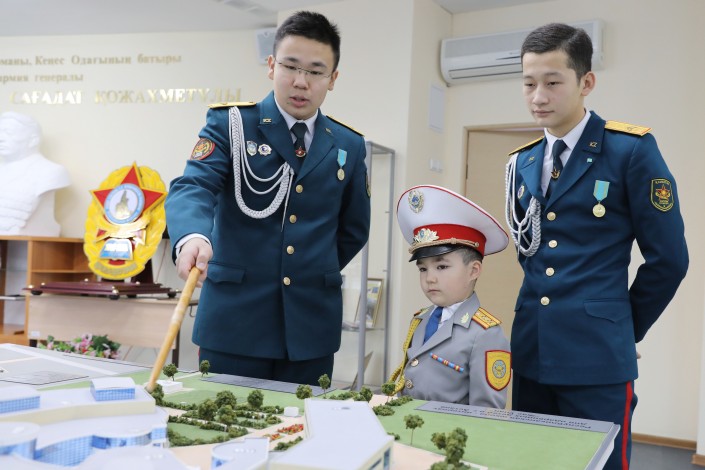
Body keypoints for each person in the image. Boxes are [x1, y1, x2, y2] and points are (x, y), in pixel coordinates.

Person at [504, 23, 688, 469]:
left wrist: (623, 328)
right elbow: (531, 254)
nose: (538, 97)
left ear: (586, 82)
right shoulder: (521, 161)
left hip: (597, 357)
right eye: (529, 84)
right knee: (532, 463)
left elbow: (669, 260)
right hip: (532, 350)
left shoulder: (629, 151)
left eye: (552, 83)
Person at [164, 11, 371, 386]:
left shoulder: (349, 145)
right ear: (272, 66)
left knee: (304, 421)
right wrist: (192, 236)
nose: (300, 82)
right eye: (290, 66)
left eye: (316, 71)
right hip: (234, 323)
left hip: (310, 329)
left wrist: (310, 270)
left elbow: (353, 229)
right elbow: (194, 186)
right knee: (221, 418)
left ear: (333, 79)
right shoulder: (231, 125)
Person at [389, 185, 511, 408]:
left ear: (473, 271)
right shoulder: (421, 320)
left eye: (442, 267)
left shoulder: (486, 334)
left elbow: (486, 413)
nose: (430, 278)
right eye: (423, 269)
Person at [0, 111, 70, 236]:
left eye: (9, 133)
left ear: (33, 140)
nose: (1, 138)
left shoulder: (51, 172)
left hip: (31, 243)